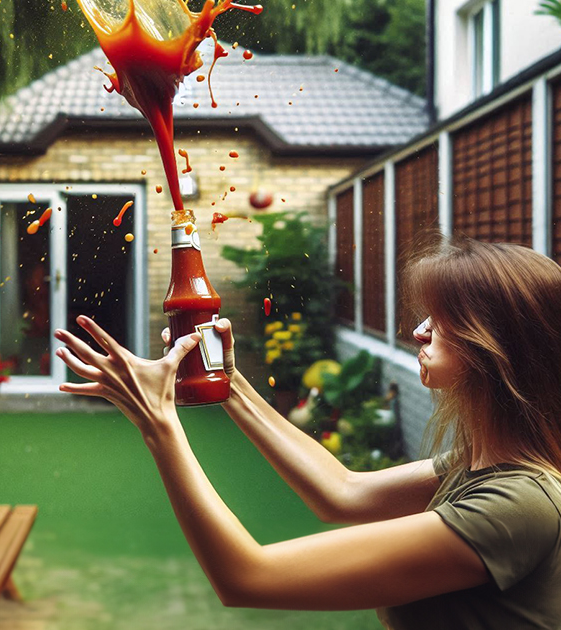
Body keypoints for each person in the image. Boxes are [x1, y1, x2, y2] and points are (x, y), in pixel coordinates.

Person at [54, 237, 561, 627]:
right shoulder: (480, 463)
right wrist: (228, 383)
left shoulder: (518, 504)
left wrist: (158, 422)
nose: (419, 330)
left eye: (444, 319)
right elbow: (342, 494)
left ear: (496, 344)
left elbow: (247, 576)